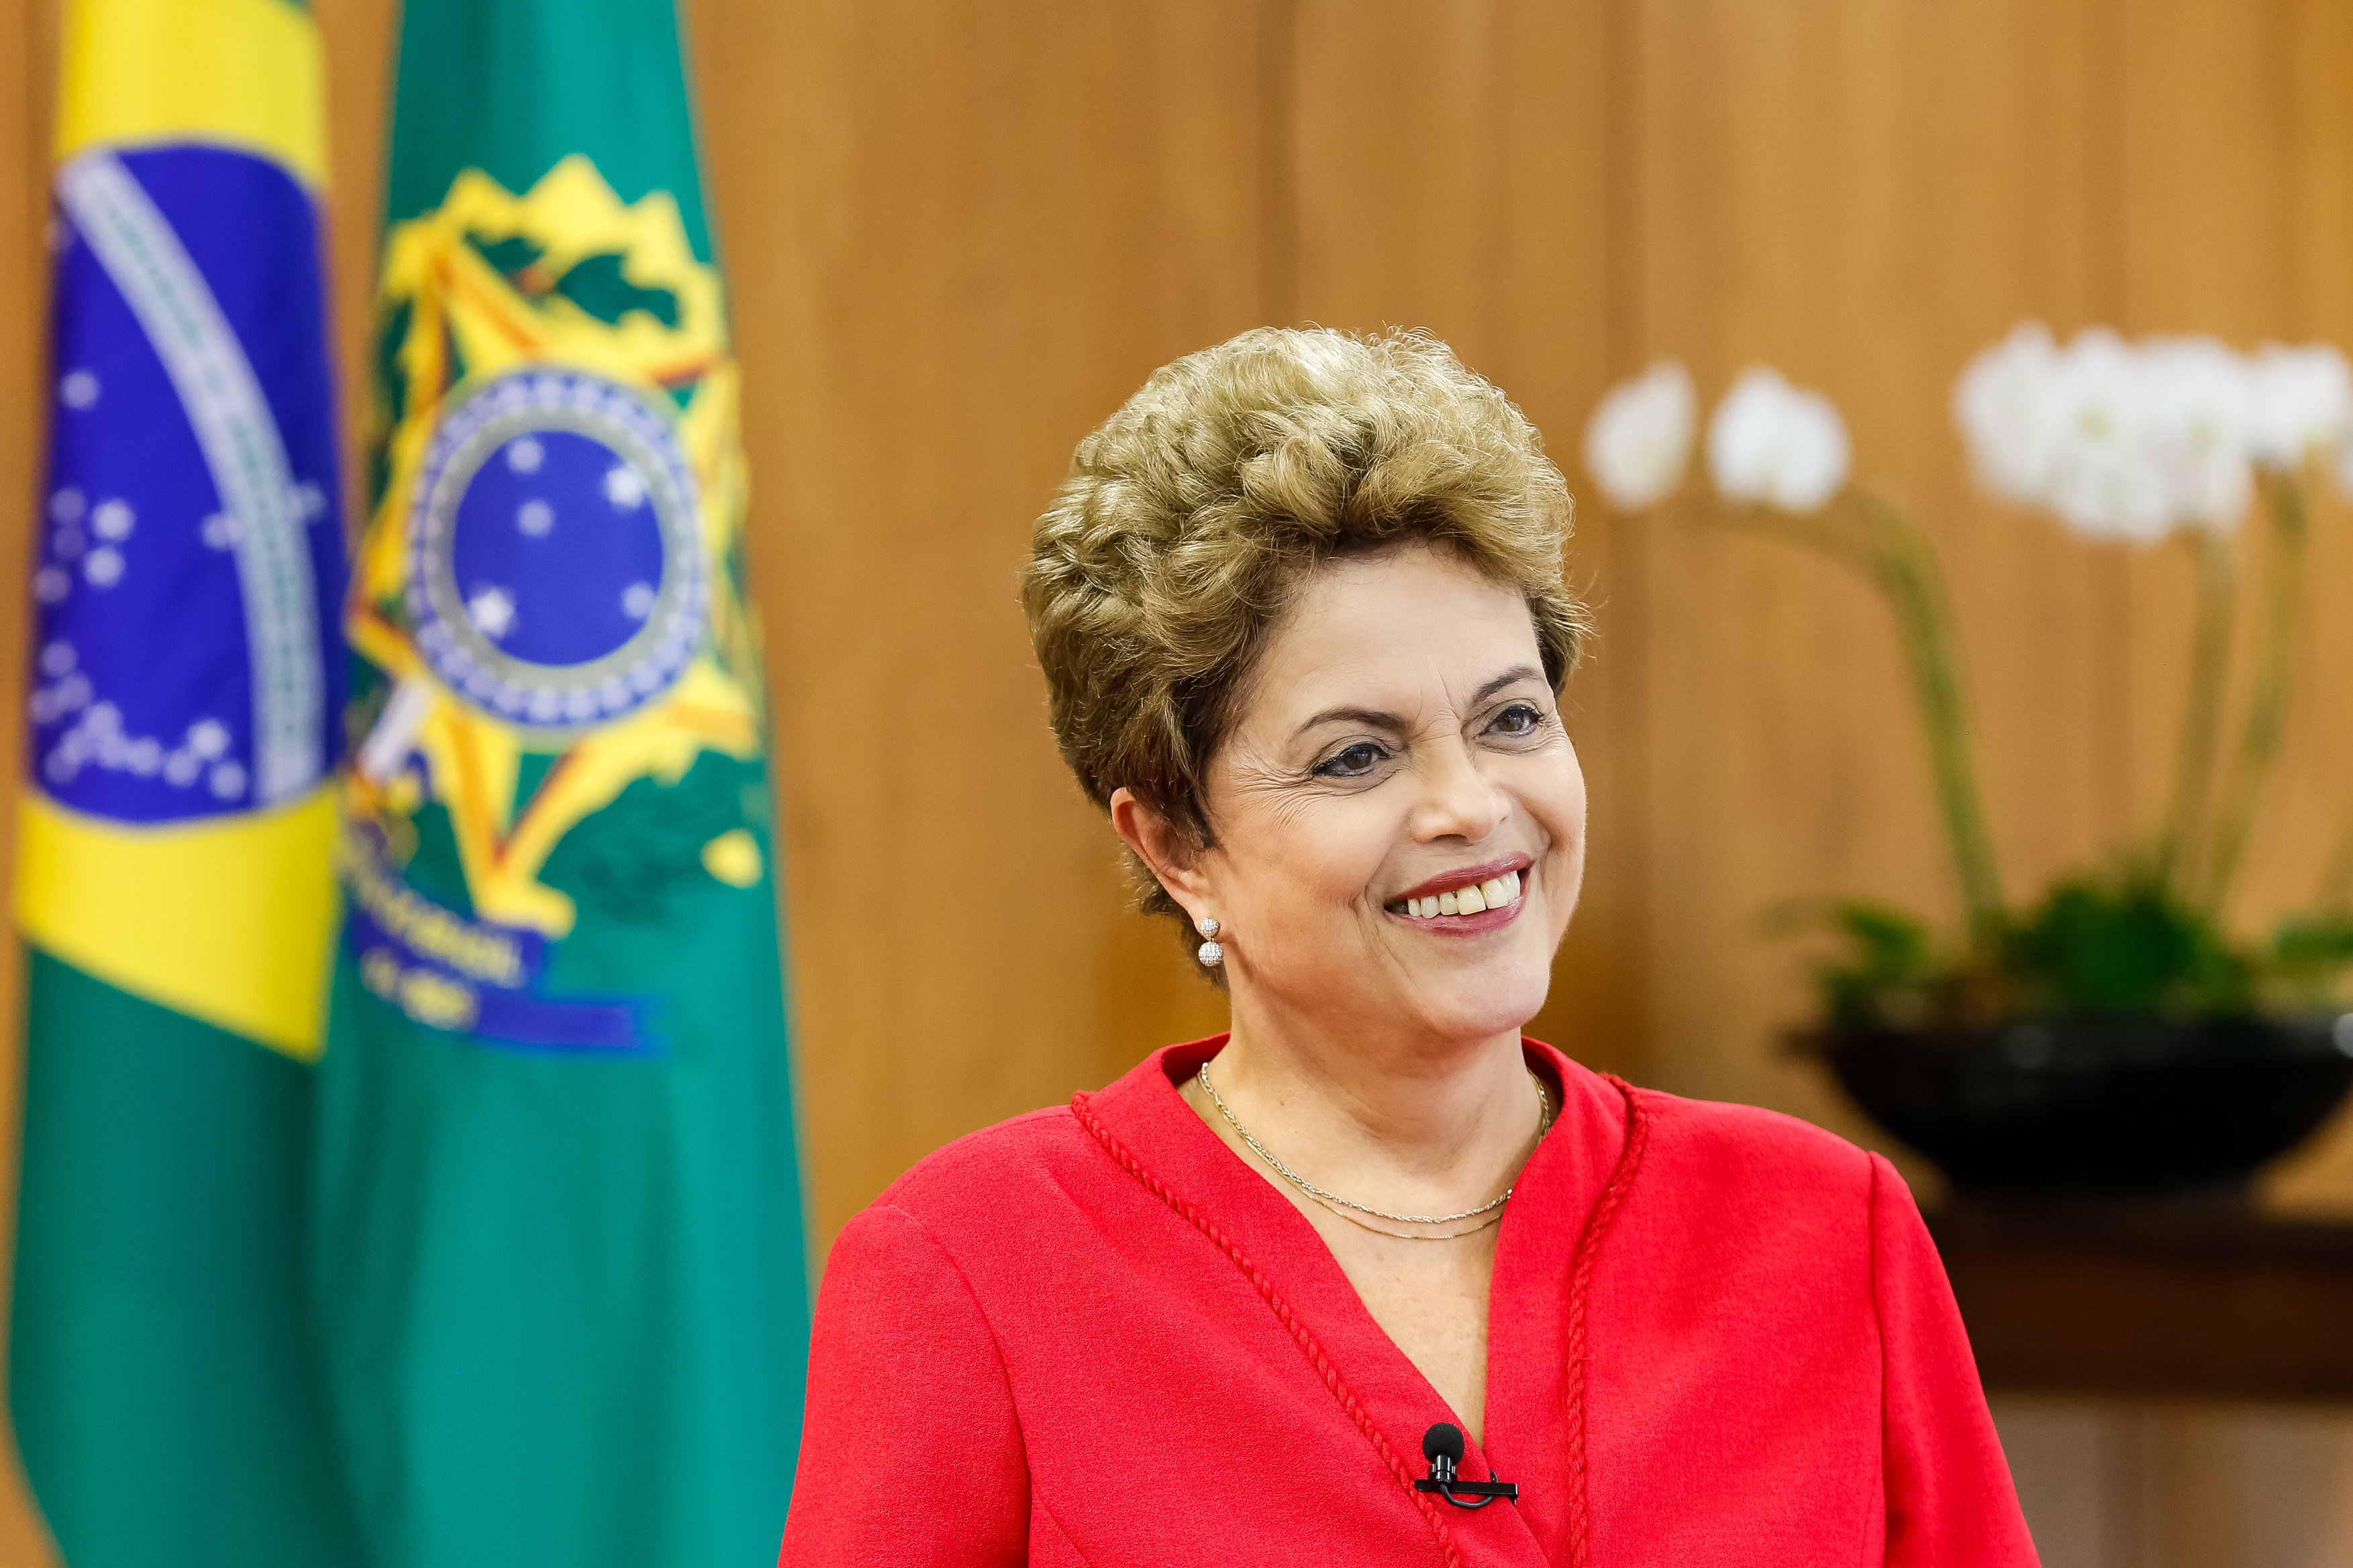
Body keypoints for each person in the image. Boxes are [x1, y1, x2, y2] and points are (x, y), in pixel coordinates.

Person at [779, 328, 2036, 1566]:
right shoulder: (971, 1272)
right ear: (1175, 842)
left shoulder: (1825, 1233)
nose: (1472, 806)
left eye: (1510, 719)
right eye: (1357, 755)